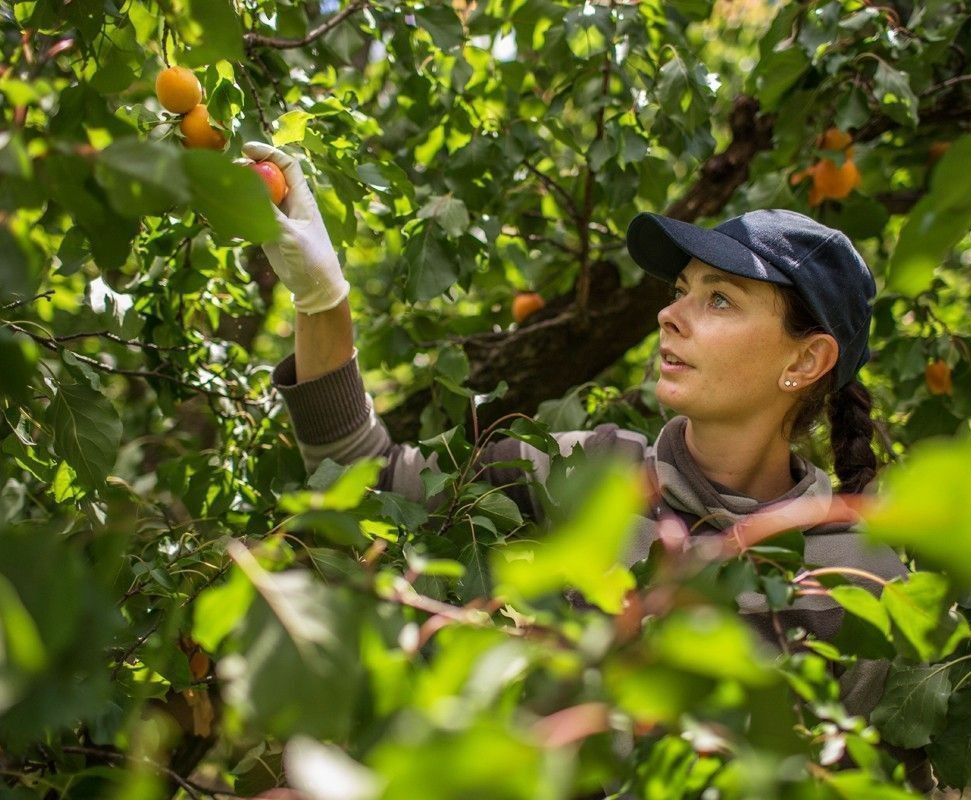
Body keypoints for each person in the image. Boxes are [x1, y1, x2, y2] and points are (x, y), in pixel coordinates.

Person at [243, 140, 930, 788]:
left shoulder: (861, 576)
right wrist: (321, 299)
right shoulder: (586, 470)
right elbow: (365, 483)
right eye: (682, 289)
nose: (671, 314)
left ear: (805, 361)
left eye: (719, 298)